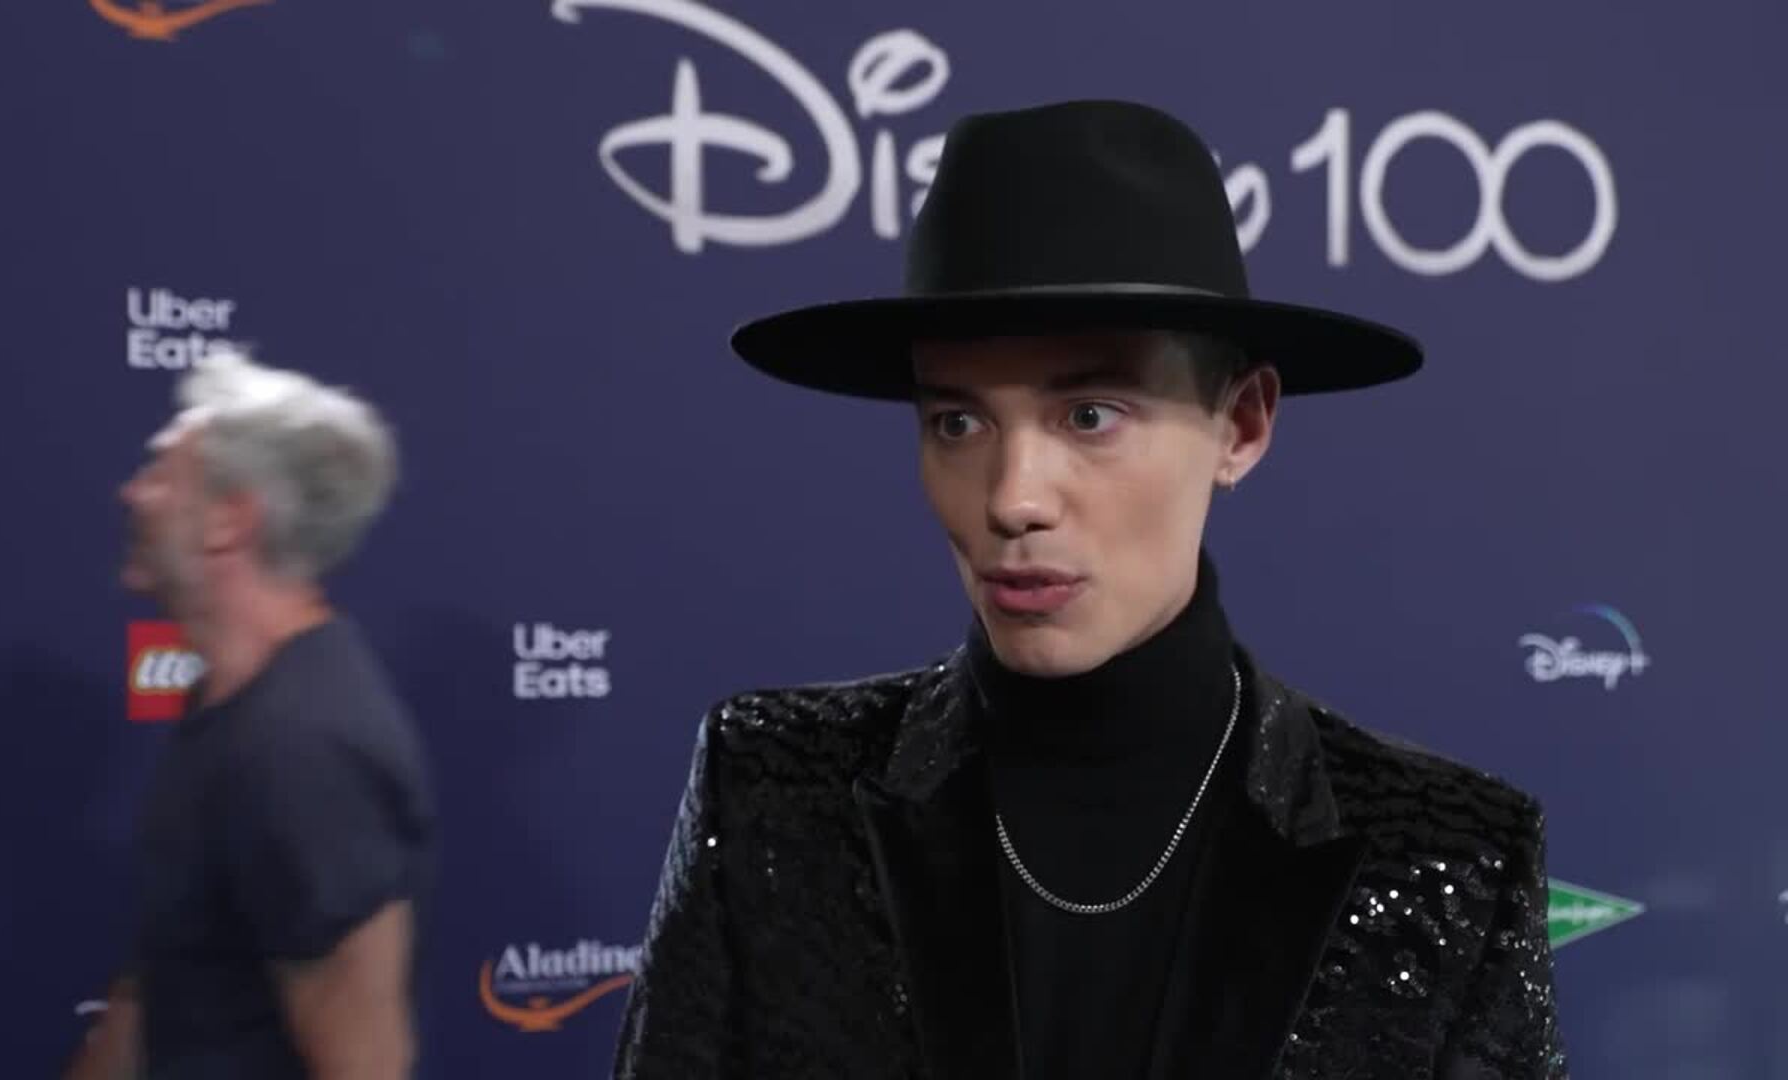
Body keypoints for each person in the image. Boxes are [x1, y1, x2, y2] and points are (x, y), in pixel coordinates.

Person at [612, 100, 1566, 1079]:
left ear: (1242, 425)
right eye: (957, 424)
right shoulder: (772, 788)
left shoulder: (1450, 854)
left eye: (1090, 415)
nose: (1013, 499)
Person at [65, 350, 435, 1080]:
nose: (132, 494)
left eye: (161, 474)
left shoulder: (304, 745)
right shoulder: (228, 706)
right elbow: (164, 977)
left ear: (228, 521)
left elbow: (364, 1064)